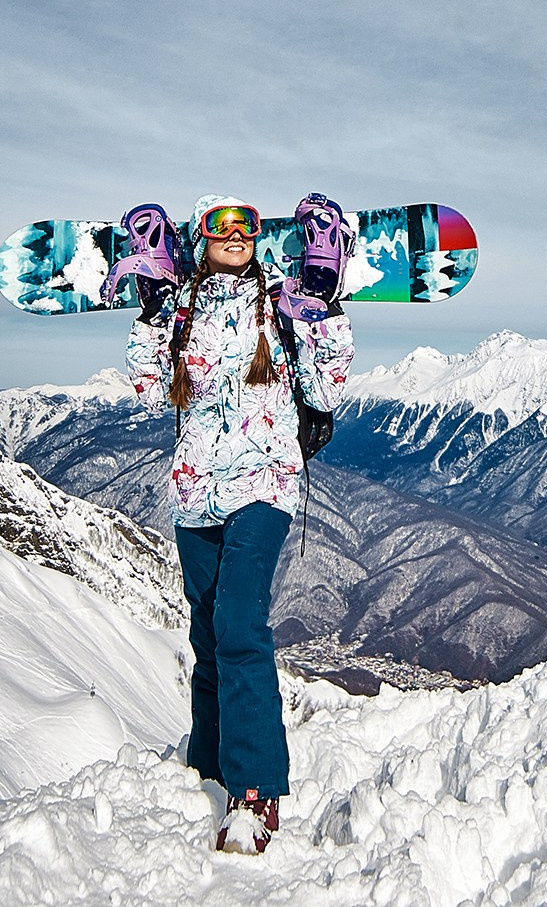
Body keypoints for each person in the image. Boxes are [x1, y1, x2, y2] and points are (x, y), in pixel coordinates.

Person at [125, 194, 354, 856]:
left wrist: (324, 303)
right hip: (194, 492)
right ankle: (208, 767)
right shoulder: (181, 312)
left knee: (239, 623)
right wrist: (149, 309)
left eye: (246, 222)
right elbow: (146, 392)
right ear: (200, 236)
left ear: (259, 235)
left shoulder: (281, 304)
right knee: (206, 632)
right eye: (219, 223)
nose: (234, 233)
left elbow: (329, 390)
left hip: (265, 483)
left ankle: (253, 792)